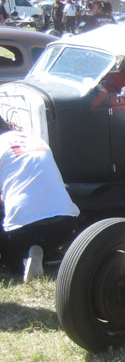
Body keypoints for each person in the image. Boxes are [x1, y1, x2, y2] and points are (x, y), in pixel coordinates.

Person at [0, 118, 79, 281]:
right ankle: (51, 254)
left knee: (8, 257)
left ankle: (23, 260)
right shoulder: (36, 139)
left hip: (24, 229)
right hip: (65, 223)